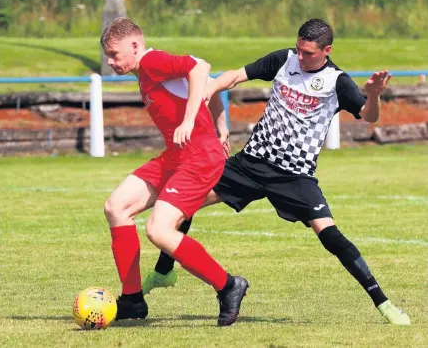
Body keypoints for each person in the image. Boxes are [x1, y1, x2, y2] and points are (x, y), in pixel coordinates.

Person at [143, 18, 411, 325]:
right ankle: (164, 272)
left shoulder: (337, 81)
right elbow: (237, 75)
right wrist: (211, 88)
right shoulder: (284, 60)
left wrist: (373, 94)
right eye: (298, 49)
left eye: (308, 53)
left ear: (327, 50)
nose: (300, 57)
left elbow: (368, 116)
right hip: (250, 164)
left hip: (294, 176)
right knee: (185, 201)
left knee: (331, 237)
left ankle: (384, 304)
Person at [100, 17, 248, 327]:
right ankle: (132, 300)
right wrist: (221, 127)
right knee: (117, 207)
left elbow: (199, 67)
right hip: (177, 156)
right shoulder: (144, 72)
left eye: (114, 54)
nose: (111, 61)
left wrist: (190, 120)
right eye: (108, 56)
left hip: (199, 159)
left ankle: (228, 284)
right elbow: (209, 85)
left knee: (158, 230)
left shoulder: (152, 61)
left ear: (135, 46)